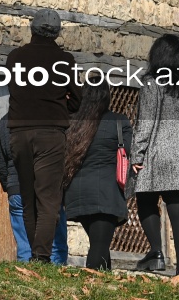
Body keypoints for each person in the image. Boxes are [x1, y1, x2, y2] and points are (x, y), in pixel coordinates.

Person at [5, 8, 81, 262]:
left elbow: (15, 89)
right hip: (50, 133)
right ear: (57, 33)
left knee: (28, 198)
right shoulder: (65, 61)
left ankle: (34, 254)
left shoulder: (15, 57)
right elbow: (77, 99)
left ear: (32, 29)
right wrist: (63, 102)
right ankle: (41, 256)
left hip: (19, 132)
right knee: (48, 198)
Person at [130, 34, 179, 281]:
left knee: (145, 200)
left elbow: (145, 121)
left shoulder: (152, 83)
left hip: (156, 153)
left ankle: (156, 251)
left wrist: (137, 154)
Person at [61, 85, 131, 270]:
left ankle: (105, 281)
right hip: (106, 193)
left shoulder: (74, 123)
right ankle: (90, 282)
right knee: (99, 246)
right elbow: (129, 151)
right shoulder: (118, 121)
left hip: (77, 193)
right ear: (106, 97)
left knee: (99, 243)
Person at [0, 116, 69, 264]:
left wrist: (10, 186)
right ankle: (55, 273)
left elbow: (0, 162)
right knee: (54, 243)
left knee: (25, 246)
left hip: (17, 187)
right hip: (48, 187)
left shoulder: (5, 121)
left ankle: (26, 274)